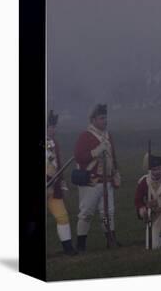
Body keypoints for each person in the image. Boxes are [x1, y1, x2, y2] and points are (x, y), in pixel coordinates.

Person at [73, 104, 121, 251]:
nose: (104, 121)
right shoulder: (85, 136)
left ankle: (110, 240)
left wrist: (116, 172)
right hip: (91, 182)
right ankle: (81, 245)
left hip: (107, 180)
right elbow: (79, 157)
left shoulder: (108, 135)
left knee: (108, 213)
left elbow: (112, 156)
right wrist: (95, 152)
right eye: (101, 118)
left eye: (105, 118)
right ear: (93, 120)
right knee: (86, 213)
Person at [46, 110, 77, 255]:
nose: (54, 130)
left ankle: (68, 248)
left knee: (62, 216)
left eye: (54, 127)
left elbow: (58, 166)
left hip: (53, 188)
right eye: (51, 127)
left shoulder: (54, 143)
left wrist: (62, 184)